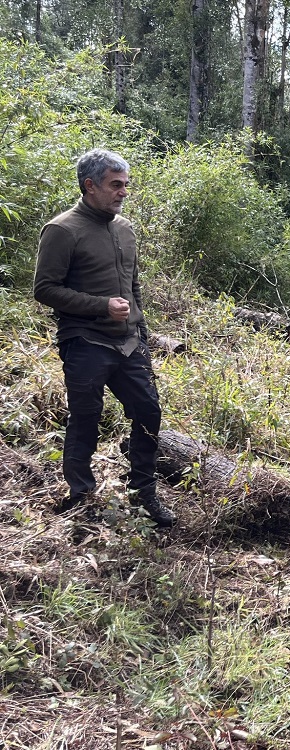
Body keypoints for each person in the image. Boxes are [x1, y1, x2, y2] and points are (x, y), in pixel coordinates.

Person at [32, 149, 176, 527]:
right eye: (116, 185)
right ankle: (81, 497)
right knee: (85, 418)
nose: (123, 192)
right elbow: (44, 288)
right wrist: (100, 306)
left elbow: (132, 285)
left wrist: (141, 331)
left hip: (130, 344)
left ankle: (143, 495)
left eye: (126, 185)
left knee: (148, 413)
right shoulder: (62, 230)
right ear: (90, 185)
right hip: (85, 341)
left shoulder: (125, 228)